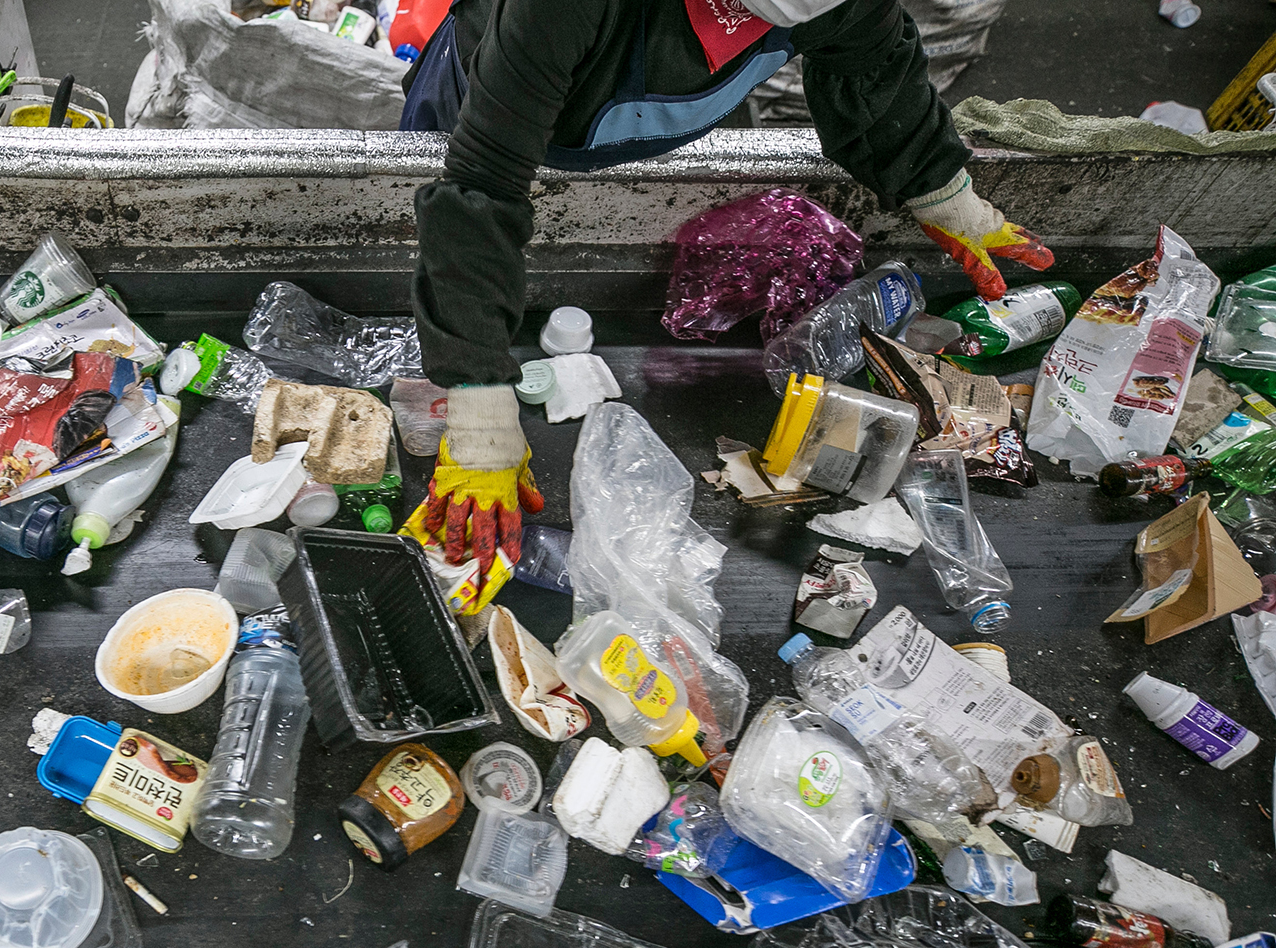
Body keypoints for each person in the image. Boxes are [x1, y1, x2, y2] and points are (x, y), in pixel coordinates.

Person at [398, 0, 1051, 590]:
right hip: (488, 110)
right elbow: (479, 191)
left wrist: (944, 194)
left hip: (655, 122)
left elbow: (872, 66)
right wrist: (481, 415)